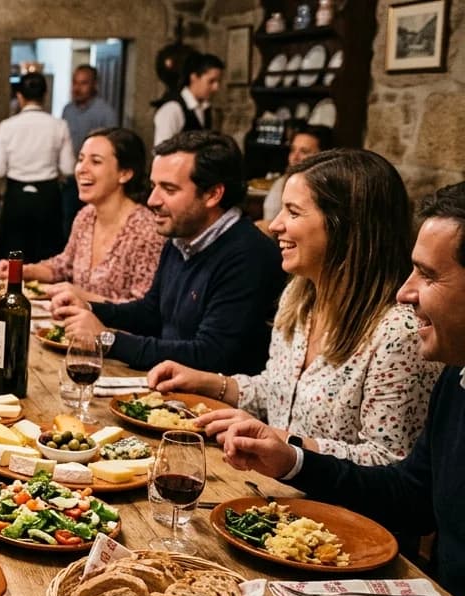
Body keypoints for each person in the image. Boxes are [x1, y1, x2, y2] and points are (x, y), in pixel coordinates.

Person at [220, 182, 465, 596]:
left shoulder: (404, 334)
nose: (406, 293)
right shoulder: (457, 378)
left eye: (427, 274)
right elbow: (410, 493)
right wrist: (293, 460)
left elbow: (394, 474)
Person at [150, 148, 440, 466]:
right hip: (276, 492)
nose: (275, 225)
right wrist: (207, 382)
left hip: (336, 510)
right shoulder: (299, 298)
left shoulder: (399, 331)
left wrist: (287, 444)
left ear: (344, 227)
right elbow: (279, 394)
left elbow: (390, 462)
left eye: (293, 212)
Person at [51, 131, 282, 375]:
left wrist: (108, 339)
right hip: (168, 392)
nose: (152, 200)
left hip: (214, 407)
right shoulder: (182, 234)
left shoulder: (248, 255)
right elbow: (151, 312)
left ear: (213, 194)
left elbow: (210, 355)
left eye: (169, 189)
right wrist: (89, 308)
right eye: (153, 186)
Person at [0, 128, 161, 303]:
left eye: (96, 162)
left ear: (125, 174)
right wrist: (21, 270)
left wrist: (81, 297)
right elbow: (63, 266)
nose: (82, 169)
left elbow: (144, 311)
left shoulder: (146, 230)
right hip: (74, 326)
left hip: (113, 330)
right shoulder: (86, 216)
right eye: (81, 159)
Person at [0, 72, 75, 262]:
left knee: (12, 259)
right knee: (46, 258)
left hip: (17, 196)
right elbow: (69, 168)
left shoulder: (6, 126)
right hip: (47, 197)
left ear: (19, 96)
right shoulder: (59, 125)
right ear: (45, 95)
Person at [59, 65, 120, 236]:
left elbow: (113, 148)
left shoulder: (105, 112)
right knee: (69, 223)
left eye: (83, 83)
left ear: (94, 85)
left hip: (96, 178)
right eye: (75, 83)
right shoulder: (67, 110)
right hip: (72, 178)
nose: (77, 88)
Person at [260, 125, 333, 226]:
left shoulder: (328, 192)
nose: (295, 157)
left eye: (304, 151)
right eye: (293, 150)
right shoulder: (282, 182)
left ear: (323, 156)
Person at [153, 52, 224, 145]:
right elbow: (161, 151)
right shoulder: (173, 109)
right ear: (194, 77)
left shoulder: (205, 108)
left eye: (219, 82)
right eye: (211, 81)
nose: (216, 88)